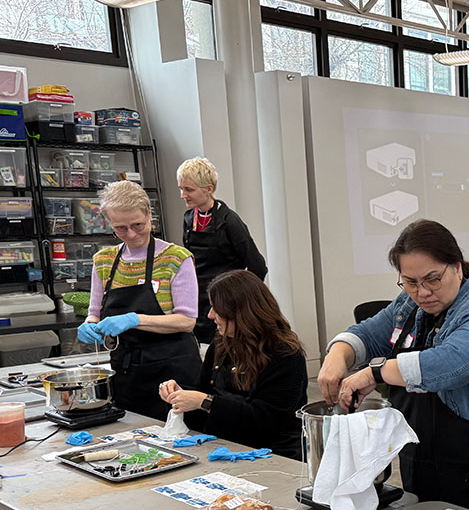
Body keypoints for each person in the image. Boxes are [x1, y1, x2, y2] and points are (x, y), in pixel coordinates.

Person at [322, 220, 469, 510]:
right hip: (422, 455)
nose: (423, 292)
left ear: (456, 267)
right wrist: (338, 355)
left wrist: (373, 373)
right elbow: (368, 334)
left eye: (433, 279)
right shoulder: (409, 305)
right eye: (410, 282)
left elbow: (448, 364)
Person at [78, 181, 200, 421]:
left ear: (149, 215)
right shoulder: (103, 261)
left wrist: (134, 319)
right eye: (121, 228)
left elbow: (186, 321)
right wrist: (89, 324)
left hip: (173, 372)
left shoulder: (175, 259)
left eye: (138, 225)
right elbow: (95, 312)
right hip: (127, 372)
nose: (131, 234)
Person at [158, 270, 308, 459]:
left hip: (272, 455)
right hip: (222, 447)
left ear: (241, 312)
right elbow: (204, 391)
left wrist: (204, 402)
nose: (210, 315)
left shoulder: (285, 355)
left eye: (216, 308)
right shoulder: (222, 344)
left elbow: (267, 421)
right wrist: (180, 396)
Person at [178, 157, 268, 345]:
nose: (183, 195)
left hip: (226, 305)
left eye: (189, 190)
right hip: (200, 302)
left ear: (208, 189)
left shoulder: (230, 222)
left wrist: (238, 300)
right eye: (181, 189)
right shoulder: (188, 219)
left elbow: (258, 266)